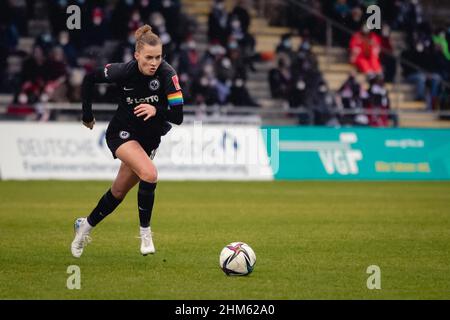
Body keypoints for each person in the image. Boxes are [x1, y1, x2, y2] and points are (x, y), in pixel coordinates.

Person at [71, 25, 184, 258]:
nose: (154, 62)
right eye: (149, 57)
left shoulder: (168, 75)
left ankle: (84, 227)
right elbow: (89, 78)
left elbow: (179, 117)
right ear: (137, 56)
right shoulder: (123, 71)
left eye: (158, 57)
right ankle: (145, 235)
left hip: (149, 140)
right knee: (150, 174)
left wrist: (156, 109)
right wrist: (87, 114)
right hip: (122, 133)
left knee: (117, 193)